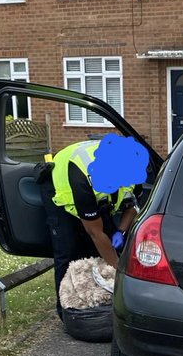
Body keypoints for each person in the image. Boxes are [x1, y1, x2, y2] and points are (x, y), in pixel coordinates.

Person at [41, 134, 145, 317]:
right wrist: (119, 271)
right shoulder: (83, 179)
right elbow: (95, 232)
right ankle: (67, 312)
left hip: (97, 194)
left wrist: (120, 231)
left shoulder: (133, 170)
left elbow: (132, 206)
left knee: (103, 248)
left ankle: (99, 302)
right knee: (68, 250)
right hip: (60, 188)